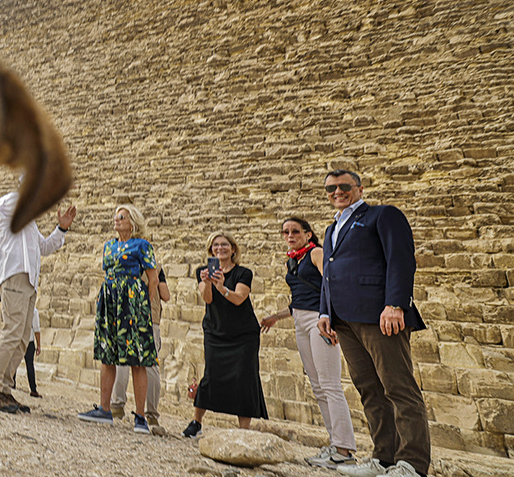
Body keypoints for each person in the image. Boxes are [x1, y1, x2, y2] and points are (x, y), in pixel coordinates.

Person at [317, 170, 430, 477]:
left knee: (398, 388)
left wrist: (395, 304)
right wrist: (325, 312)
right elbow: (329, 272)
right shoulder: (331, 229)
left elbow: (401, 259)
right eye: (330, 188)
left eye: (344, 186)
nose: (337, 192)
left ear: (360, 188)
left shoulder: (382, 215)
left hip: (379, 315)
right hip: (344, 319)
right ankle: (384, 459)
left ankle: (412, 464)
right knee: (369, 390)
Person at [260, 217, 356, 468]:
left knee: (330, 384)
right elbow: (299, 299)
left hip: (319, 320)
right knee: (318, 386)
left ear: (308, 234)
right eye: (285, 232)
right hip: (300, 322)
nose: (290, 236)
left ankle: (344, 450)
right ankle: (336, 444)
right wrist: (276, 316)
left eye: (295, 231)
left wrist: (329, 318)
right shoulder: (292, 260)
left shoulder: (316, 253)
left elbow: (331, 285)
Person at [0, 185, 76, 414]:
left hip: (29, 283)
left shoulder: (30, 225)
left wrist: (61, 229)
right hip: (14, 276)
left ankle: (3, 388)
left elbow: (45, 247)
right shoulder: (5, 206)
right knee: (12, 331)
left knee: (22, 338)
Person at [78, 204, 159, 435]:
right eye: (115, 216)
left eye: (121, 217)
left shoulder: (142, 245)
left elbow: (153, 279)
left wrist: (142, 304)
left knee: (137, 359)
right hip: (111, 301)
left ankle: (140, 417)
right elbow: (107, 273)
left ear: (132, 222)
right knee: (107, 355)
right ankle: (105, 409)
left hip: (132, 302)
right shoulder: (109, 246)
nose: (116, 220)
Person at [183, 232, 267, 438]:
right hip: (216, 331)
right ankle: (196, 422)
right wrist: (208, 283)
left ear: (233, 249)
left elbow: (239, 299)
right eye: (216, 245)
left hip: (243, 334)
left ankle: (244, 430)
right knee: (211, 374)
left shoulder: (243, 273)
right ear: (210, 249)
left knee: (244, 378)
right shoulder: (202, 271)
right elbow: (207, 299)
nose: (220, 248)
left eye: (224, 244)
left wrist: (222, 287)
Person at [110, 266, 170, 435]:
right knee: (150, 366)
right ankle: (151, 414)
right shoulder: (155, 267)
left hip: (126, 315)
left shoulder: (123, 263)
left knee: (122, 360)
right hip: (150, 319)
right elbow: (166, 296)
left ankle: (117, 405)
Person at [15, 306, 42, 398]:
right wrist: (38, 345)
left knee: (13, 363)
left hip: (17, 339)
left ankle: (11, 384)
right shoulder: (34, 311)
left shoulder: (18, 307)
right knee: (30, 365)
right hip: (29, 340)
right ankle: (33, 390)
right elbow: (36, 329)